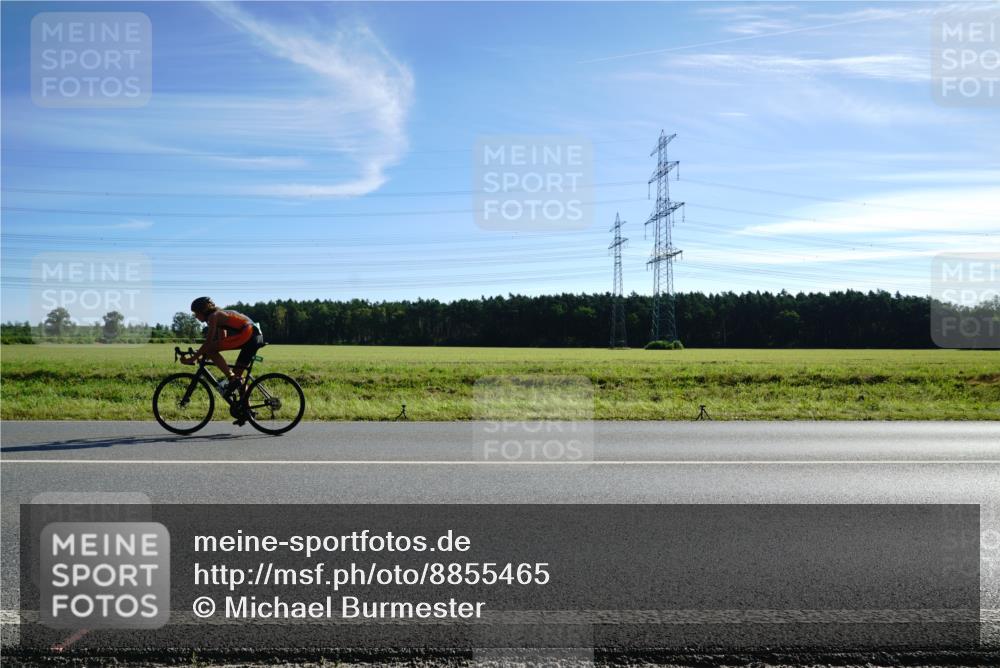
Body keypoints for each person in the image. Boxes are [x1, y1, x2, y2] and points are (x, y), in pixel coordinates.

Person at [182, 297, 263, 395]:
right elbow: (222, 340)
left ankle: (231, 377)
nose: (195, 316)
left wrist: (193, 358)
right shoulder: (219, 315)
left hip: (249, 335)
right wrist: (204, 354)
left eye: (196, 313)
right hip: (254, 337)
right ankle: (246, 408)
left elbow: (208, 343)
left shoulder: (213, 317)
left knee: (212, 350)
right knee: (237, 379)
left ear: (203, 310)